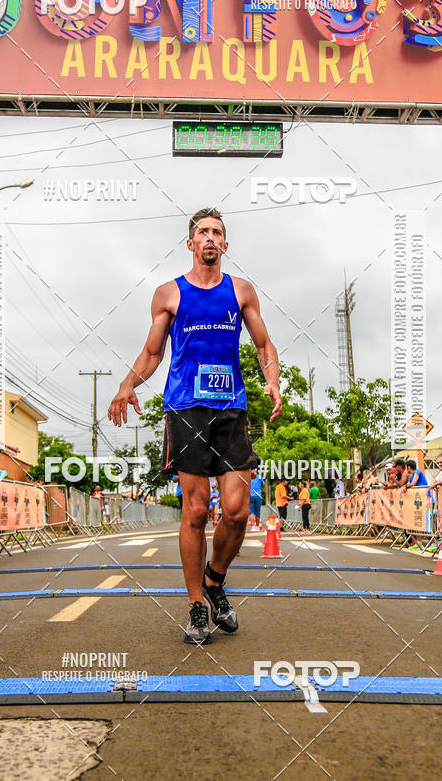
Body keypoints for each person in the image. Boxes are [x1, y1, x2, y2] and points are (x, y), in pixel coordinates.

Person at [108, 206, 281, 643]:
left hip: (232, 409)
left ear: (225, 244)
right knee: (197, 509)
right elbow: (152, 352)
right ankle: (195, 606)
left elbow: (263, 344)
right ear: (190, 243)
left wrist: (273, 383)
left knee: (239, 510)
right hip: (186, 407)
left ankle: (215, 581)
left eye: (217, 232)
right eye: (202, 232)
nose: (209, 238)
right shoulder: (170, 293)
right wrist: (128, 384)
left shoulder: (241, 291)